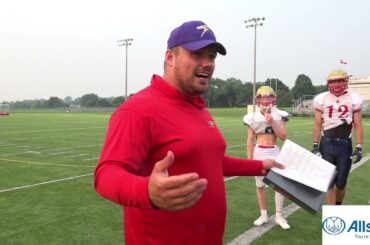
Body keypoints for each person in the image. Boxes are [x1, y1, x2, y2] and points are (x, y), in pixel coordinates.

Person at [94, 20, 284, 245]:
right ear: (170, 57)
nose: (207, 63)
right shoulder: (138, 109)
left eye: (212, 56)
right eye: (197, 54)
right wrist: (147, 191)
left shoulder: (199, 108)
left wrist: (261, 166)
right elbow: (106, 174)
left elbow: (211, 161)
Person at [311, 69, 363, 205]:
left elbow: (358, 124)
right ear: (328, 83)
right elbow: (317, 123)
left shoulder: (353, 98)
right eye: (334, 81)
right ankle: (332, 213)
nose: (337, 84)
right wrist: (315, 145)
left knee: (341, 183)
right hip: (326, 143)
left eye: (340, 80)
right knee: (328, 182)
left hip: (344, 145)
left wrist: (359, 146)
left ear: (346, 81)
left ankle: (338, 206)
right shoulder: (322, 98)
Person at [243, 86, 290, 230]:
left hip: (275, 150)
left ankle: (279, 216)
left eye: (268, 98)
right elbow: (250, 139)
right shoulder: (252, 116)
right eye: (262, 98)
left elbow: (282, 136)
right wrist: (249, 160)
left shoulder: (279, 115)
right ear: (258, 100)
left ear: (273, 99)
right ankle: (263, 215)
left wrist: (272, 122)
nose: (265, 101)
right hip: (260, 151)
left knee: (280, 185)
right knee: (260, 185)